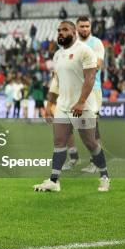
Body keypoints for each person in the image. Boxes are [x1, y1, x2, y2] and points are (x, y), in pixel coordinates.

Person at [35, 21, 109, 192]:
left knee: (90, 143)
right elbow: (56, 82)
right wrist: (49, 105)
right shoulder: (58, 55)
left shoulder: (84, 51)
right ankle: (54, 181)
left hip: (83, 106)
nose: (60, 33)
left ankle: (105, 176)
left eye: (65, 30)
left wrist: (81, 102)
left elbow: (90, 78)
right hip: (63, 105)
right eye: (59, 30)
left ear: (74, 32)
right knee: (59, 141)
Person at [61, 16, 106, 172]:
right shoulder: (70, 45)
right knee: (65, 124)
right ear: (76, 28)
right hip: (71, 90)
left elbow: (97, 66)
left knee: (93, 126)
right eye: (82, 26)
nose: (85, 29)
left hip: (92, 89)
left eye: (87, 26)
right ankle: (73, 158)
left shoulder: (96, 43)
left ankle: (96, 162)